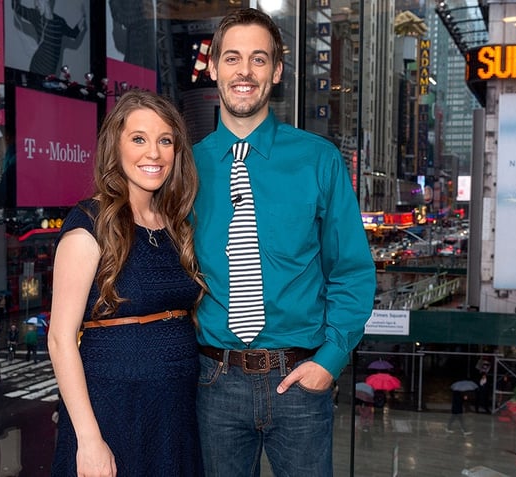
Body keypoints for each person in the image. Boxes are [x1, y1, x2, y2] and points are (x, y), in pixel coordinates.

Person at [191, 8, 376, 475]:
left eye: (259, 59)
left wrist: (330, 362)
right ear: (213, 68)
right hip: (214, 381)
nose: (244, 72)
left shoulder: (319, 160)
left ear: (275, 71)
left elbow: (351, 271)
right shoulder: (184, 169)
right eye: (232, 58)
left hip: (300, 380)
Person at [47, 90, 205, 476]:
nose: (153, 153)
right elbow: (59, 338)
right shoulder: (90, 224)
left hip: (175, 412)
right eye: (139, 139)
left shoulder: (175, 223)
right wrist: (88, 439)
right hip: (114, 409)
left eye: (164, 140)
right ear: (114, 147)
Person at [11, 0, 87, 76]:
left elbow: (73, 34)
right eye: (35, 1)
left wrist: (83, 17)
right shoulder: (36, 16)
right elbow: (16, 7)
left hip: (50, 73)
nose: (36, 4)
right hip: (36, 70)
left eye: (38, 1)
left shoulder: (60, 22)